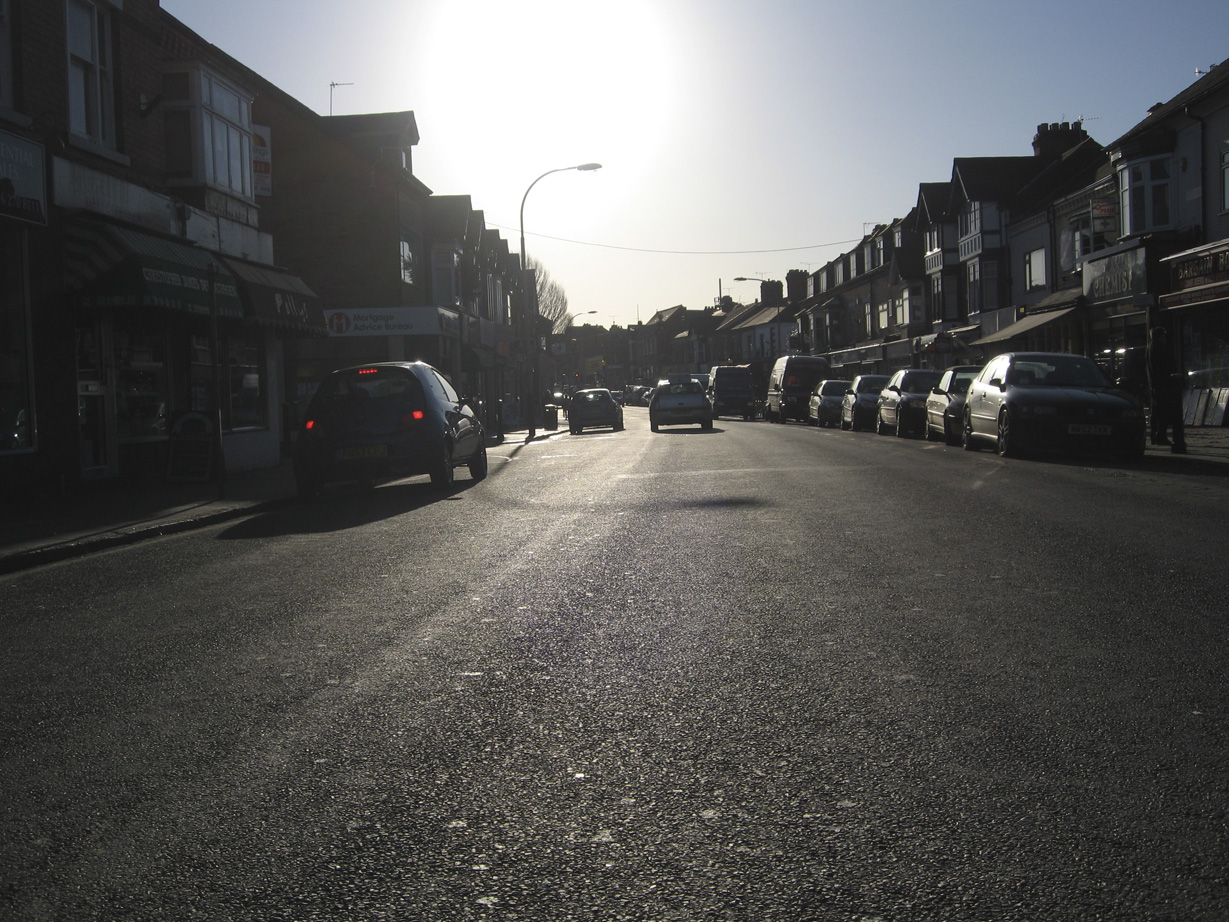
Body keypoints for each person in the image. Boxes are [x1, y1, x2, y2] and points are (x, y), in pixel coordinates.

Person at [1147, 326, 1187, 454]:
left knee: (1158, 412)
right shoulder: (1157, 349)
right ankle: (1160, 435)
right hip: (1163, 385)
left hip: (1157, 385)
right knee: (1163, 412)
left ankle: (1157, 435)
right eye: (1163, 336)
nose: (1164, 338)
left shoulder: (1151, 348)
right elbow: (1161, 368)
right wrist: (1170, 377)